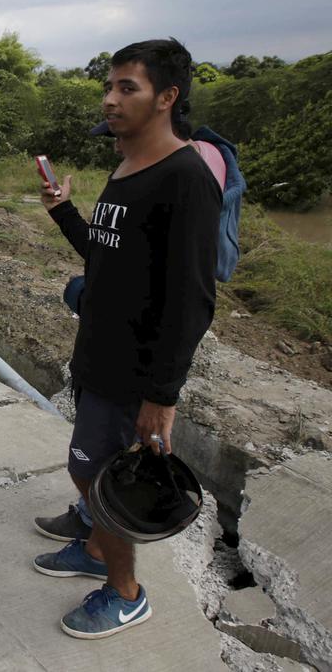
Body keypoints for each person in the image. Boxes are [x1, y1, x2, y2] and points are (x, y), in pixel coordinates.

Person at [33, 38, 221, 639]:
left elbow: (192, 299)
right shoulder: (127, 165)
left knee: (99, 478)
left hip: (133, 372)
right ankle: (93, 549)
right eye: (109, 87)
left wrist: (161, 395)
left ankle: (125, 591)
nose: (111, 99)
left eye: (127, 88)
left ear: (167, 97)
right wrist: (65, 212)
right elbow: (105, 258)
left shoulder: (185, 179)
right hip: (99, 356)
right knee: (92, 470)